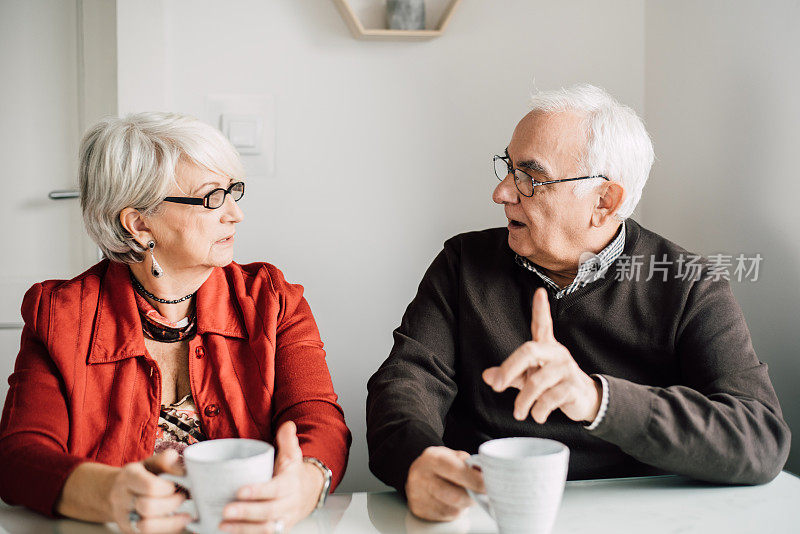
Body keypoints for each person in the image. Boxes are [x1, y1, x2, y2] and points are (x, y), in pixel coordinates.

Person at [366, 84, 791, 521]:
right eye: (508, 168)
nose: (503, 193)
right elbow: (404, 383)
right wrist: (417, 461)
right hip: (489, 514)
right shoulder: (463, 264)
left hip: (635, 519)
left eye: (531, 177)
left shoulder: (688, 284)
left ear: (604, 202)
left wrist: (597, 400)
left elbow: (759, 437)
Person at [0, 112, 351, 533]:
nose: (235, 214)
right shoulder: (60, 314)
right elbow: (19, 456)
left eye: (233, 191)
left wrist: (308, 480)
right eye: (211, 198)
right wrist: (109, 492)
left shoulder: (272, 300)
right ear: (139, 223)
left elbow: (319, 419)